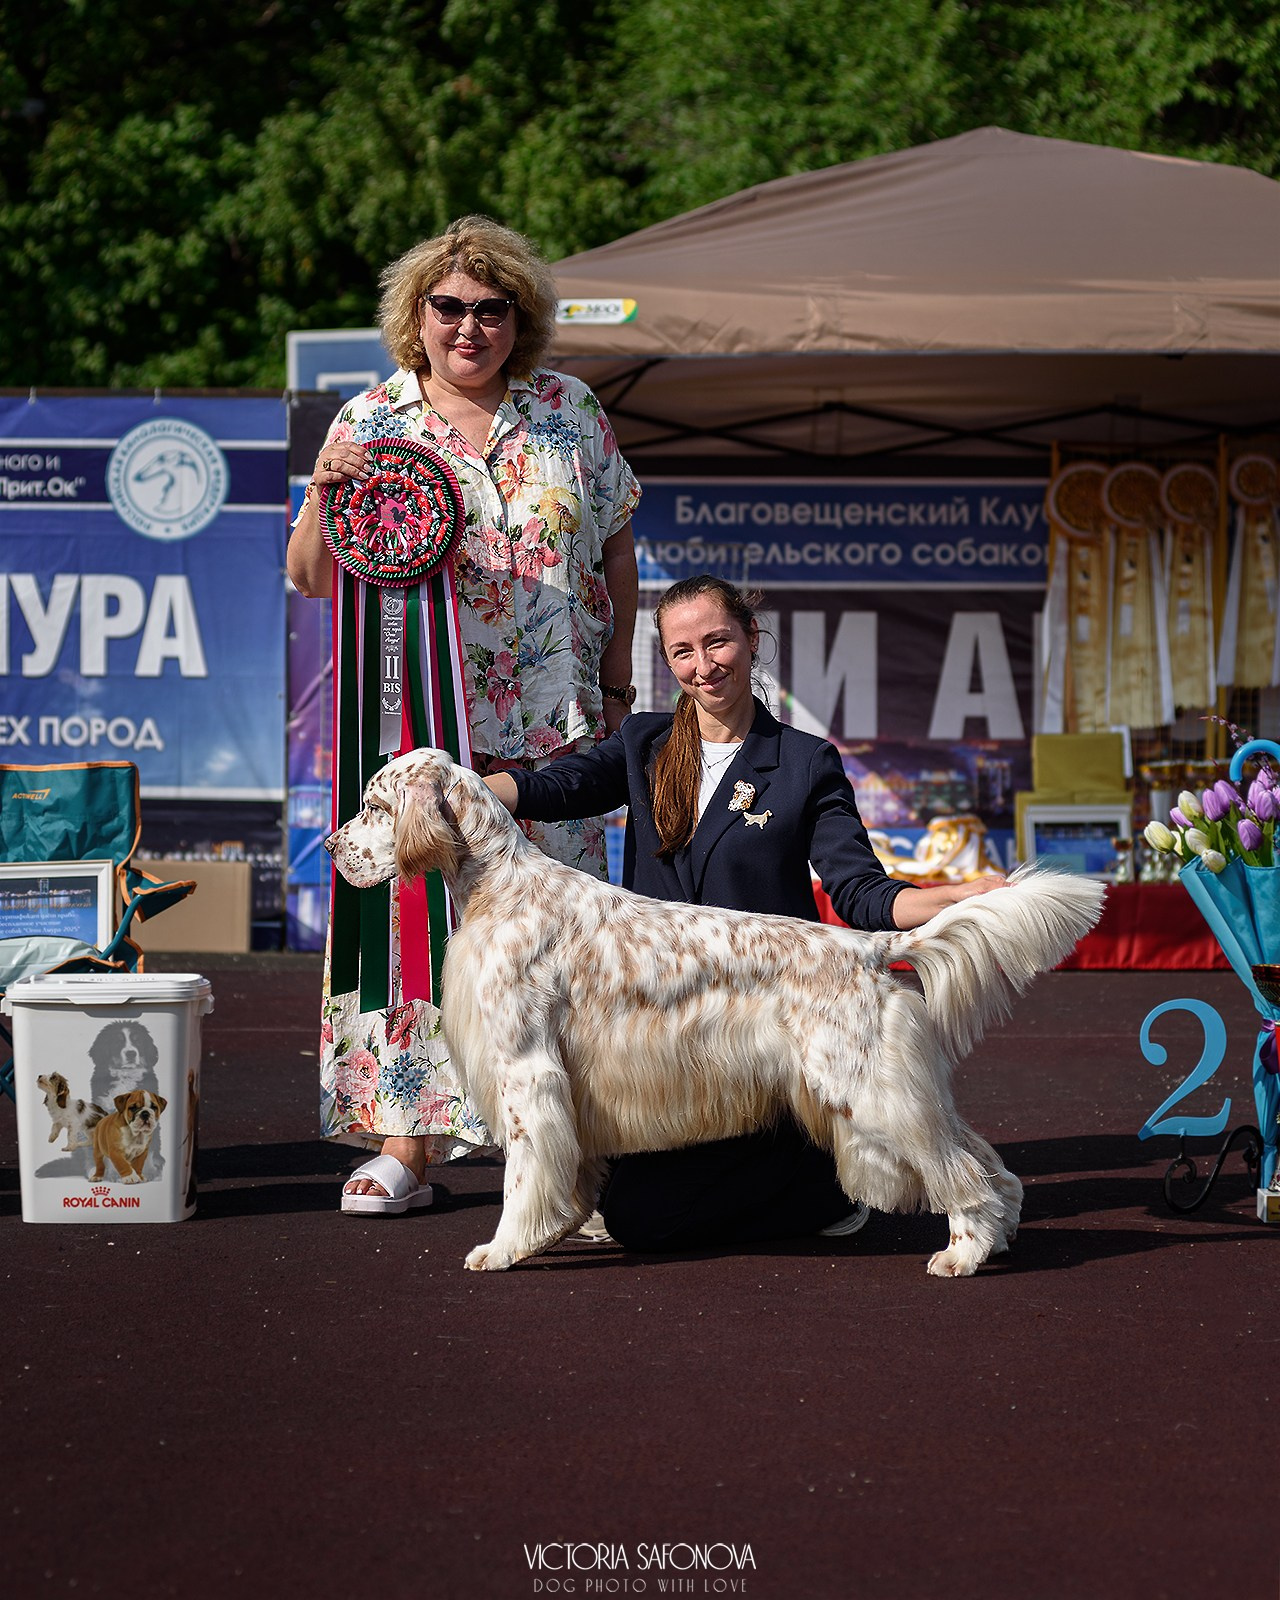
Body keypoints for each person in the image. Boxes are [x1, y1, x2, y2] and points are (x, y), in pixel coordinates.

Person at [482, 574, 1006, 1251]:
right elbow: (560, 786)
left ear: (752, 640)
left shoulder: (803, 761)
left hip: (768, 1046)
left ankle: (824, 1188)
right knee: (635, 1209)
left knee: (650, 1223)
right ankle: (820, 1183)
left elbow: (859, 890)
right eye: (683, 652)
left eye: (718, 642)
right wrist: (462, 786)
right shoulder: (644, 744)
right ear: (667, 661)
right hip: (671, 1048)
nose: (704, 667)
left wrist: (947, 900)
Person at [287, 215, 640, 1214]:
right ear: (418, 314)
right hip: (423, 727)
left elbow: (616, 545)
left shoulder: (571, 409)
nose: (470, 326)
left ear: (517, 320)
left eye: (493, 309)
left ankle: (576, 1152)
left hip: (558, 723)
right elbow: (309, 576)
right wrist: (323, 488)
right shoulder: (370, 422)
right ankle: (409, 1143)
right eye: (450, 307)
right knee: (419, 927)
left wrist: (616, 679)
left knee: (563, 934)